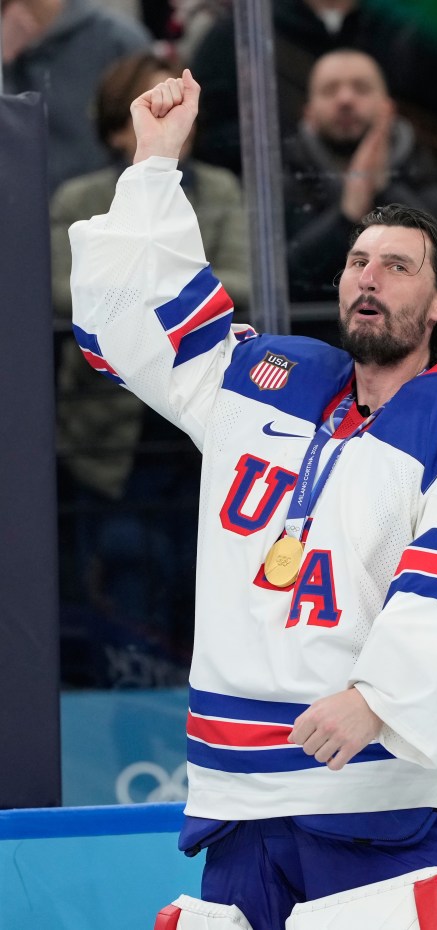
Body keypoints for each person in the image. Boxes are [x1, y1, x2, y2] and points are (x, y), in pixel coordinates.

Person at [69, 69, 437, 930]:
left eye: (397, 267)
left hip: (402, 806)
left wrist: (382, 698)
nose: (368, 277)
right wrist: (152, 161)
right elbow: (127, 327)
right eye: (359, 261)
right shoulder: (269, 381)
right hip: (244, 810)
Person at [53, 51, 249, 687]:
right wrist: (162, 295)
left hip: (203, 428)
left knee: (214, 586)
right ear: (117, 125)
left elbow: (242, 279)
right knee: (125, 597)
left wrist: (139, 293)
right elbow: (62, 291)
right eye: (147, 105)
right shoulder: (80, 197)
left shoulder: (218, 188)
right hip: (112, 440)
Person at [284, 48, 437, 318]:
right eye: (330, 90)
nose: (345, 99)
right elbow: (277, 280)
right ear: (307, 112)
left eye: (361, 88)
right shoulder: (281, 183)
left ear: (388, 108)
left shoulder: (436, 173)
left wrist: (385, 191)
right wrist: (345, 215)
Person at [188, 0, 437, 177]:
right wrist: (296, 149)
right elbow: (209, 135)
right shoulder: (240, 35)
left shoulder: (412, 30)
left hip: (406, 191)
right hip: (286, 209)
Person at [1, 0, 153, 194]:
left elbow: (149, 127)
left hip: (103, 201)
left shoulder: (117, 38)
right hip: (23, 200)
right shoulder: (8, 40)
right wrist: (5, 60)